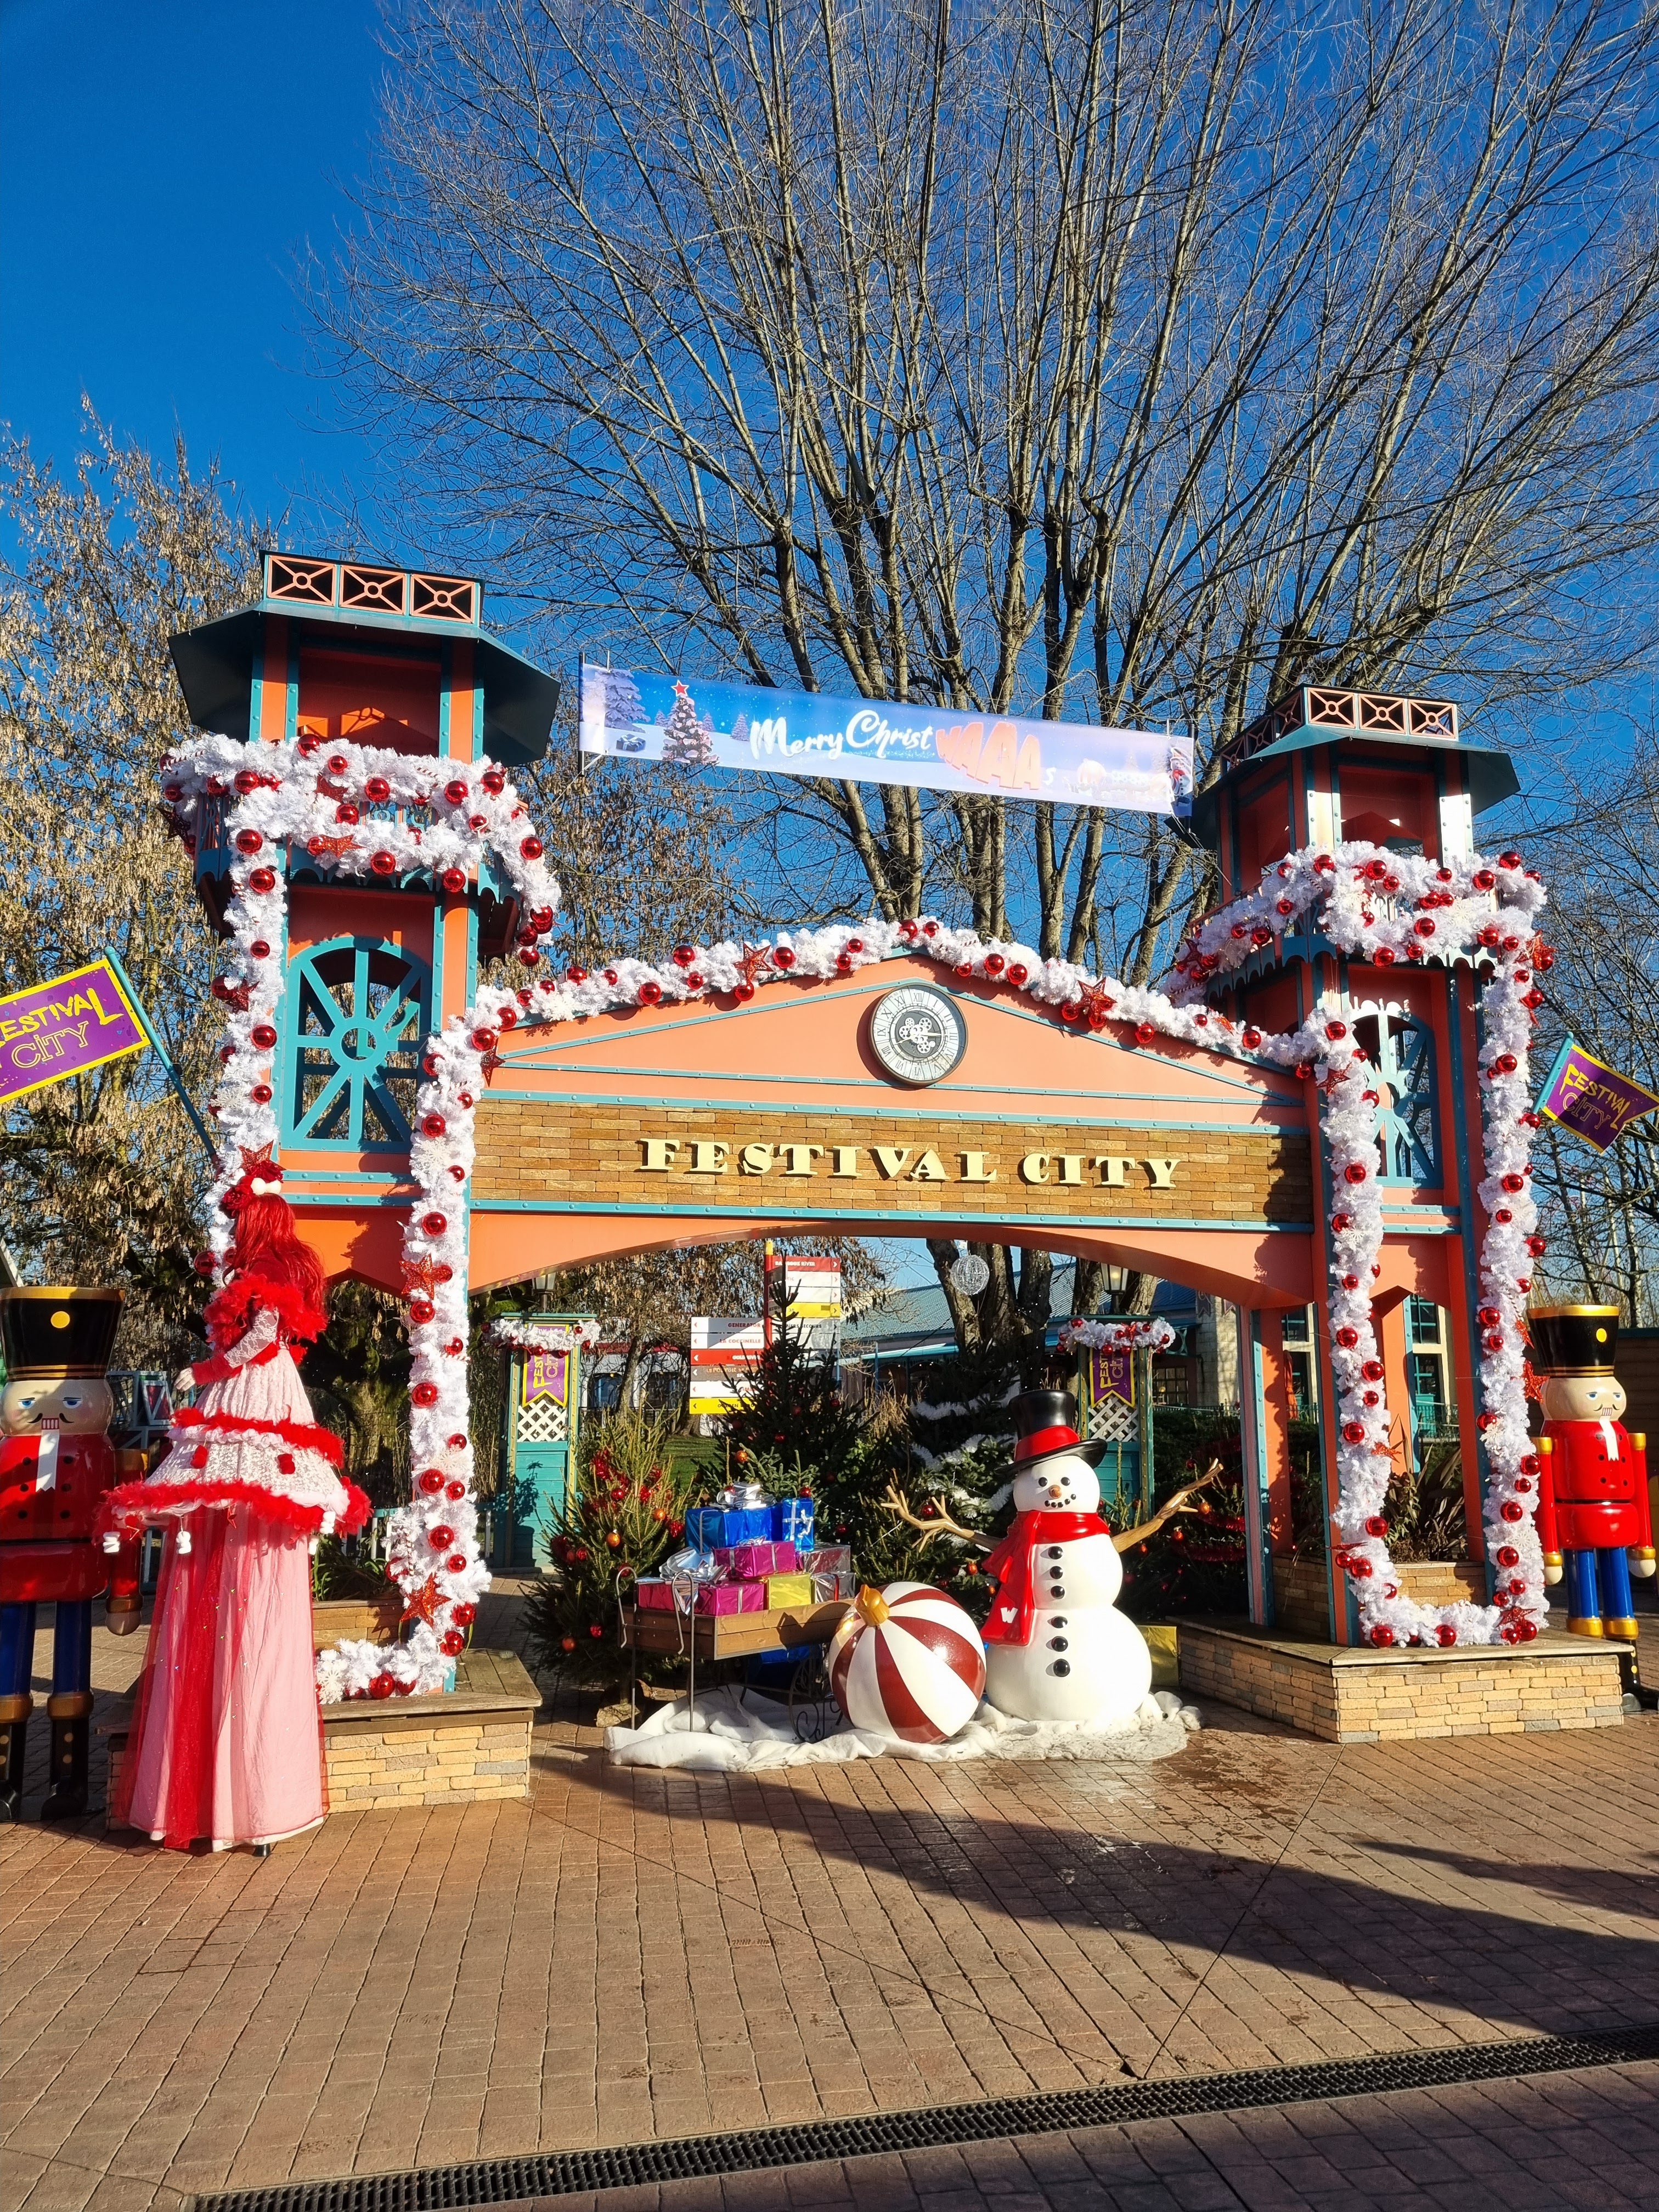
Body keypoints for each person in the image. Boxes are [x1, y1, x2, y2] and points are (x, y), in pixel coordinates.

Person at [98, 1154, 368, 1850]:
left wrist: (206, 1369)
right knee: (227, 1542)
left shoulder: (269, 1273)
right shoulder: (263, 1269)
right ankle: (234, 1796)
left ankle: (243, 1797)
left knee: (246, 1524)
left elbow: (261, 1339)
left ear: (256, 1218)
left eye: (238, 1214)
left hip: (250, 1398)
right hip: (247, 1401)